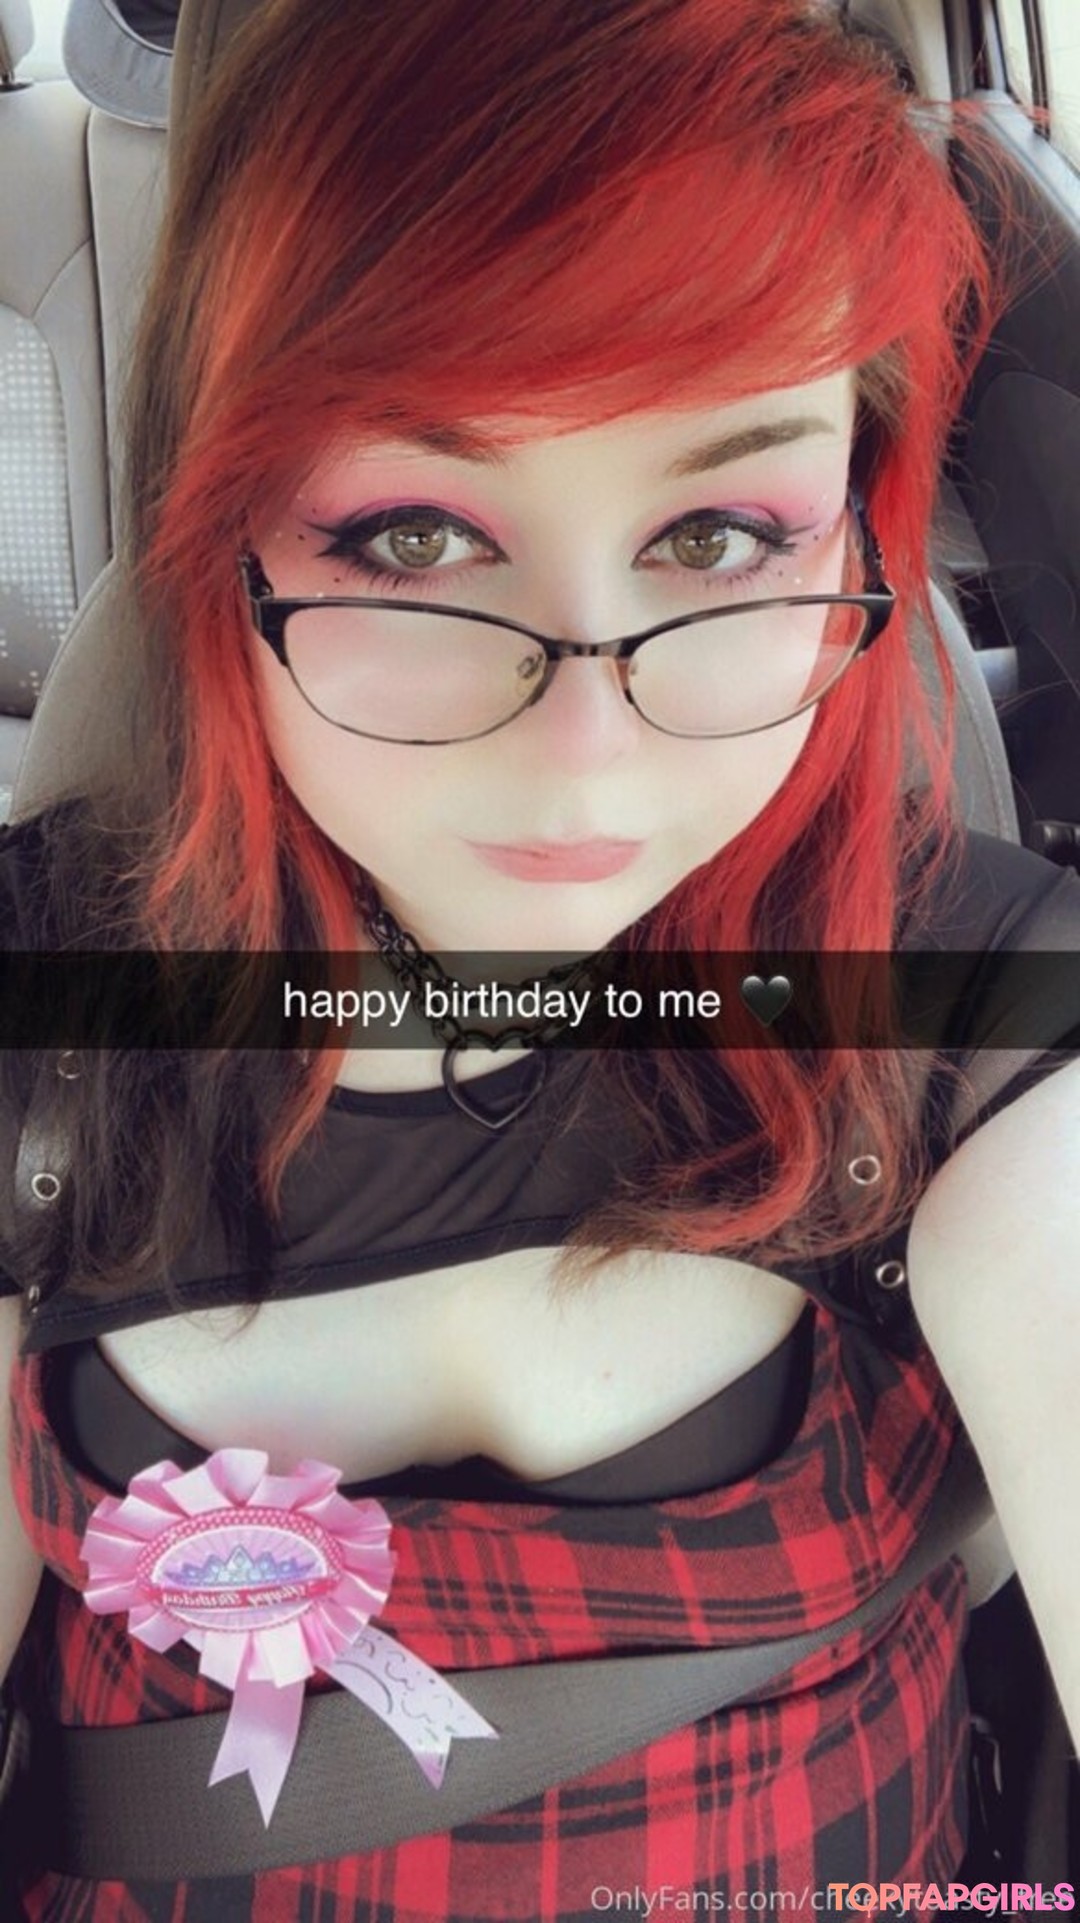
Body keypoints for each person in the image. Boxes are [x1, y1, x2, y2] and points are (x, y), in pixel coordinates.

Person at [1, 0, 1079, 1913]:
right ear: (221, 529)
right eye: (415, 538)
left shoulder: (972, 1026)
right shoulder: (48, 1017)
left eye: (721, 537)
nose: (588, 753)